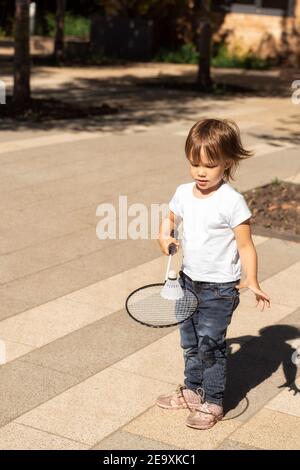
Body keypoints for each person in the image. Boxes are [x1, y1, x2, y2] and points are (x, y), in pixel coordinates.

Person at [156, 118, 271, 430]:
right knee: (189, 342)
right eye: (194, 164)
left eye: (209, 165)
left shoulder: (232, 201)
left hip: (219, 289)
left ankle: (214, 402)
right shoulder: (183, 192)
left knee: (210, 345)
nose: (200, 172)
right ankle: (193, 392)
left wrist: (253, 280)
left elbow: (246, 246)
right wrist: (164, 236)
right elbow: (169, 219)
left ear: (228, 162)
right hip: (187, 281)